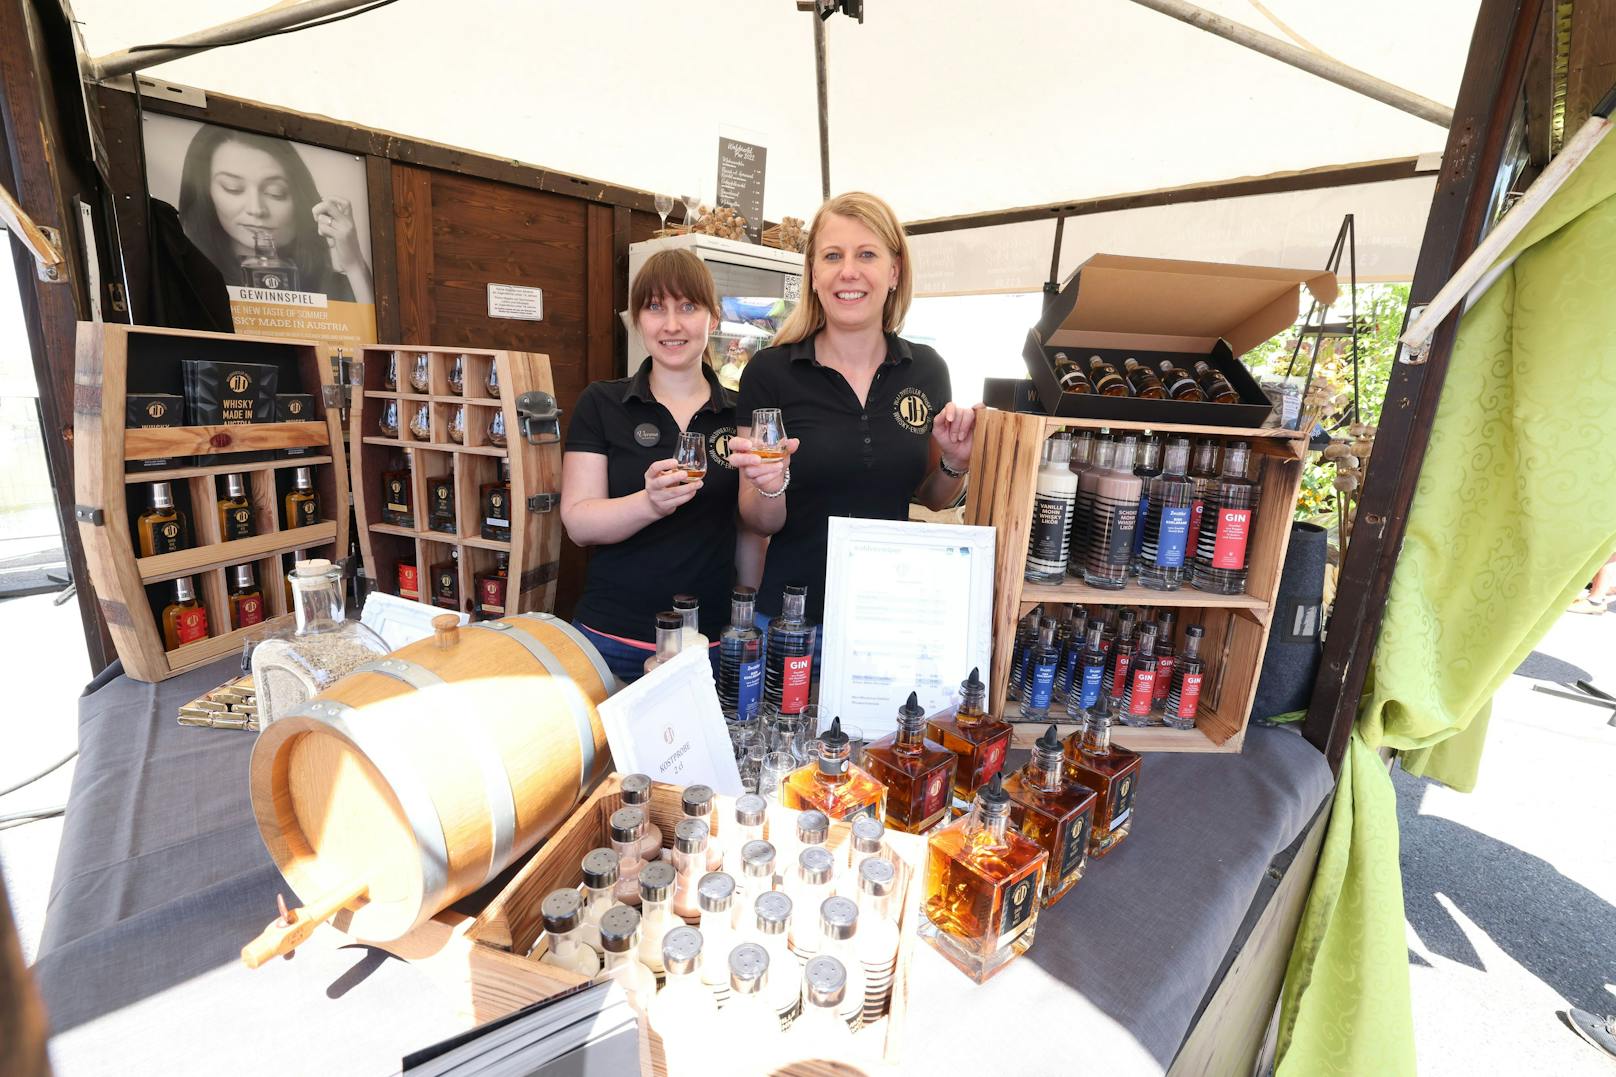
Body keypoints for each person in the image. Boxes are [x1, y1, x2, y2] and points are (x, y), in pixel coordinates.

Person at [728, 191, 977, 638]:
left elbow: (932, 497)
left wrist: (955, 462)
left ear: (894, 271)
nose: (849, 271)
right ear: (814, 273)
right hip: (793, 623)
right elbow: (756, 521)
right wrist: (769, 486)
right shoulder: (770, 372)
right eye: (832, 255)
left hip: (889, 621)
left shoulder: (927, 369)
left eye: (867, 254)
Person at [561, 249, 748, 682]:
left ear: (713, 318)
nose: (671, 325)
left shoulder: (739, 414)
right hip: (610, 639)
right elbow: (579, 522)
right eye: (655, 307)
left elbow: (754, 530)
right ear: (637, 319)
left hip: (711, 641)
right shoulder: (602, 403)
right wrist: (648, 502)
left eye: (687, 306)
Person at [176, 124, 374, 304]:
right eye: (233, 188)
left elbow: (376, 339)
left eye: (275, 192)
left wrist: (354, 263)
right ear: (206, 195)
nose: (256, 209)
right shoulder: (189, 283)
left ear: (299, 198)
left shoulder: (334, 287)